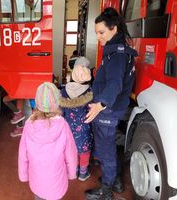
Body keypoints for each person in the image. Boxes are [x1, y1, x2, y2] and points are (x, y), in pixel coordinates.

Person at [84, 7, 138, 199]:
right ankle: (115, 179)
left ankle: (106, 191)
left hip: (108, 110)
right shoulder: (118, 50)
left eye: (101, 32)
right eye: (96, 33)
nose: (98, 37)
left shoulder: (117, 55)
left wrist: (100, 105)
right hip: (114, 109)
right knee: (109, 148)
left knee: (106, 152)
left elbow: (115, 84)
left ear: (113, 28)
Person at [18, 82, 77, 200]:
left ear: (37, 103)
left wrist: (24, 175)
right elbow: (71, 154)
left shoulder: (28, 126)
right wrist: (71, 173)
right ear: (57, 102)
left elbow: (22, 154)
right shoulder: (63, 125)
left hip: (37, 182)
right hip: (57, 182)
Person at [60, 57, 94, 182]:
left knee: (71, 150)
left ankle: (73, 171)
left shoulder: (64, 90)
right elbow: (92, 111)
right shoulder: (90, 92)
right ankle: (83, 173)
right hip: (83, 129)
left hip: (67, 129)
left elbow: (61, 111)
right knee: (84, 151)